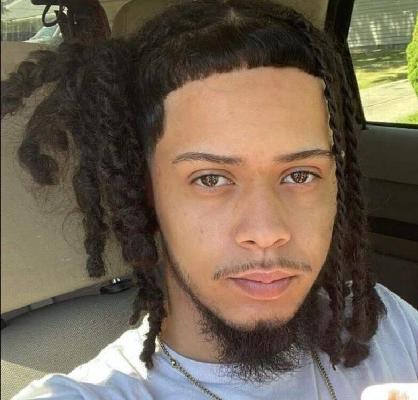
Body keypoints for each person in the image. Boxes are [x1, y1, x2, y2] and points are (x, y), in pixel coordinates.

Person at [2, 0, 417, 399]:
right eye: (211, 179)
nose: (266, 232)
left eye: (300, 175)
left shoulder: (385, 323)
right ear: (144, 194)